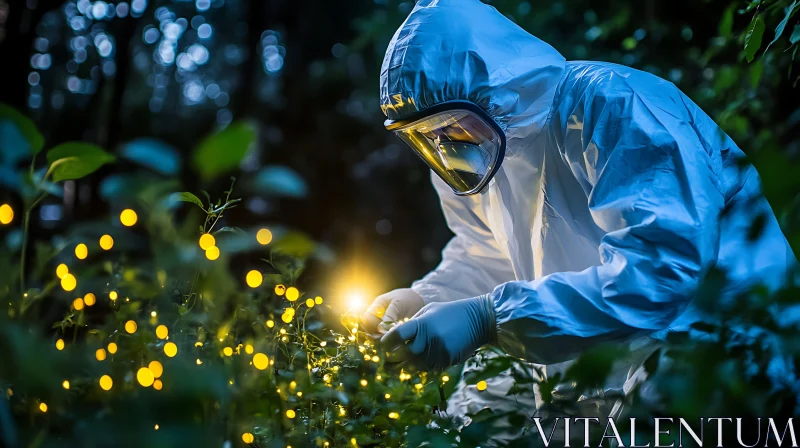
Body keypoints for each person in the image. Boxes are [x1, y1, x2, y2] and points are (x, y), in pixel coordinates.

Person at [361, 0, 797, 440]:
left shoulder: (613, 107)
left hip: (712, 344)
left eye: (451, 124)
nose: (444, 143)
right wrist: (426, 298)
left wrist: (487, 319)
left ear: (498, 90)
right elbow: (487, 256)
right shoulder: (477, 159)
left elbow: (663, 272)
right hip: (597, 343)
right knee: (474, 412)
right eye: (426, 135)